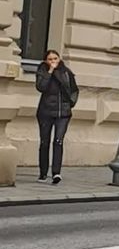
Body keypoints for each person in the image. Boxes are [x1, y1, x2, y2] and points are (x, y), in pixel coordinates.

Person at [35, 49, 79, 184]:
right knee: (44, 142)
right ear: (45, 61)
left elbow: (74, 90)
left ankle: (56, 173)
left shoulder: (66, 72)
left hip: (63, 113)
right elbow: (41, 87)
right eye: (50, 59)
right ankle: (43, 173)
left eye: (55, 58)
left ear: (59, 59)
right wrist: (50, 72)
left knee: (58, 141)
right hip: (46, 112)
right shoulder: (42, 71)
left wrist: (70, 103)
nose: (53, 61)